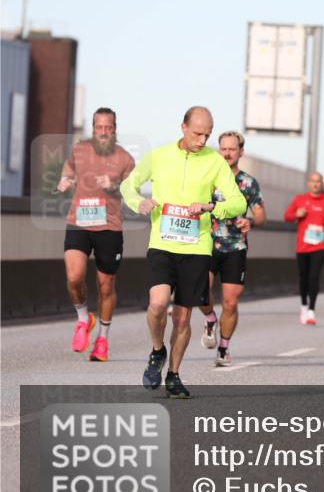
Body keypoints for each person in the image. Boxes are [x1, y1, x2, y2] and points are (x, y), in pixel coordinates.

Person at [120, 106, 247, 399]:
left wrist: (212, 207)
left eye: (207, 134)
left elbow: (238, 202)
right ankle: (157, 350)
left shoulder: (215, 162)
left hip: (197, 247)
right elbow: (129, 185)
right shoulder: (160, 155)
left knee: (182, 319)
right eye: (197, 133)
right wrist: (137, 202)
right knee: (157, 304)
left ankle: (174, 375)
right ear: (183, 127)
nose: (202, 140)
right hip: (163, 243)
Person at [58, 107, 135, 362]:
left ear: (115, 129)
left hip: (109, 227)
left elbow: (131, 192)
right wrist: (66, 181)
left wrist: (113, 185)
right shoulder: (79, 149)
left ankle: (102, 339)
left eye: (108, 127)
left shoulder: (125, 158)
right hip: (78, 221)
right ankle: (83, 319)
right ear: (93, 128)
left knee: (105, 286)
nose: (103, 131)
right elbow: (68, 170)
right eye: (99, 127)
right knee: (74, 275)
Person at [197, 131, 266, 365]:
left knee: (231, 302)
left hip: (235, 247)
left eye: (232, 149)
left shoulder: (248, 183)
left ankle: (224, 348)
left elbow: (260, 214)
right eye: (223, 148)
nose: (227, 153)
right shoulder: (209, 178)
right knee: (200, 291)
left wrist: (251, 222)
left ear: (241, 152)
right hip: (207, 243)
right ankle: (209, 318)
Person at [284, 172, 324, 325]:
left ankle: (311, 311)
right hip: (303, 246)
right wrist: (297, 214)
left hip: (321, 245)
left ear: (322, 184)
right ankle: (303, 305)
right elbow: (287, 216)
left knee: (314, 276)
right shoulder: (300, 200)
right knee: (304, 277)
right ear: (309, 183)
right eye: (313, 181)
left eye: (318, 181)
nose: (315, 184)